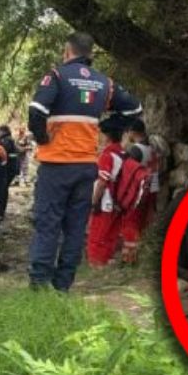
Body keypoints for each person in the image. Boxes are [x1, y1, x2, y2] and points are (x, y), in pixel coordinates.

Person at [27, 31, 142, 291]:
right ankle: (63, 287)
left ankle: (39, 286)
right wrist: (108, 125)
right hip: (86, 168)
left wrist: (42, 137)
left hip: (56, 165)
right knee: (75, 228)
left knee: (48, 224)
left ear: (67, 51)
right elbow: (135, 109)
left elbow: (36, 111)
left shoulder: (57, 76)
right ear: (90, 53)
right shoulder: (104, 83)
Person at [86, 115, 129, 268]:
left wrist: (94, 201)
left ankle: (96, 262)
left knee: (97, 233)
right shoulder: (123, 154)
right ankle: (107, 259)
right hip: (119, 199)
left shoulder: (107, 155)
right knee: (111, 232)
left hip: (106, 199)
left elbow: (102, 182)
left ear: (107, 136)